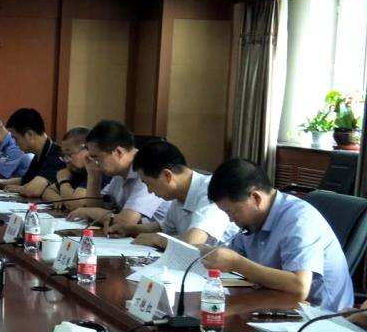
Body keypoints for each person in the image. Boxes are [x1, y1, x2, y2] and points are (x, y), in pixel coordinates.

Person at [204, 158, 353, 311]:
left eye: (232, 211)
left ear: (256, 198)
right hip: (277, 304)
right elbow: (233, 264)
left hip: (324, 315)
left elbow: (299, 287)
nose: (230, 219)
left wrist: (237, 263)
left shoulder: (299, 220)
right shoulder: (251, 222)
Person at [106, 140, 238, 248]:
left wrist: (157, 239)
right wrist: (130, 229)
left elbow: (192, 242)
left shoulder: (211, 191)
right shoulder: (180, 195)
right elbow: (164, 227)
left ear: (167, 175)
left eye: (149, 184)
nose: (149, 191)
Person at [68, 120, 169, 228]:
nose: (94, 163)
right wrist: (93, 175)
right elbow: (96, 208)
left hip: (162, 237)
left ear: (118, 152)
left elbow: (126, 222)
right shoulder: (119, 173)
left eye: (96, 158)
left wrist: (88, 211)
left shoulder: (148, 168)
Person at [0, 108, 64, 197]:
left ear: (29, 135)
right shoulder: (39, 154)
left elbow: (33, 190)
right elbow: (25, 180)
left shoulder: (56, 156)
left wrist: (20, 188)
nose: (15, 143)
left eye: (16, 138)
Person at [40, 127, 89, 211]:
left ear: (87, 150)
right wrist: (60, 200)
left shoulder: (95, 172)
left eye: (69, 154)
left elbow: (73, 204)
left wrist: (63, 181)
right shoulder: (75, 172)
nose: (66, 160)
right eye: (63, 155)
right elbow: (47, 191)